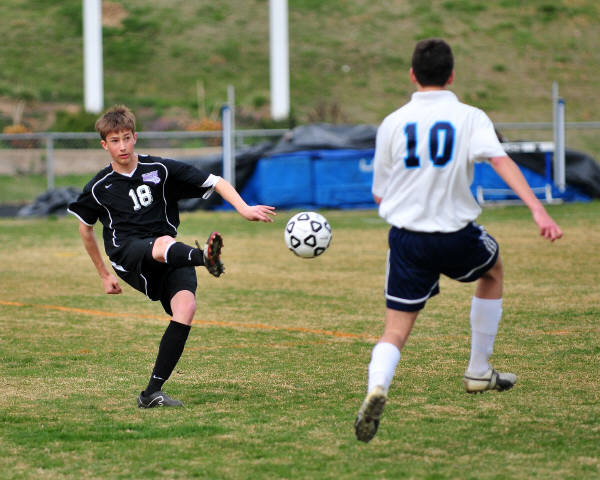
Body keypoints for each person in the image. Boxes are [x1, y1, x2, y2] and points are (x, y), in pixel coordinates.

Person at [354, 39, 562, 442]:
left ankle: (377, 387)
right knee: (493, 271)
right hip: (455, 235)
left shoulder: (393, 122)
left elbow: (380, 194)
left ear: (412, 75)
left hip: (407, 240)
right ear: (451, 76)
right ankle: (478, 370)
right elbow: (499, 159)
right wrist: (538, 209)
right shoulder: (470, 117)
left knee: (395, 331)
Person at [68, 105, 276, 408]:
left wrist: (244, 208)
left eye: (126, 138)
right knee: (163, 242)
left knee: (186, 307)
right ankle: (204, 258)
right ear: (104, 145)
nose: (122, 146)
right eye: (114, 140)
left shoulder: (159, 169)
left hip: (170, 254)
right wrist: (104, 274)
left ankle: (151, 394)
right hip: (128, 254)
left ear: (135, 137)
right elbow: (85, 229)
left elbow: (215, 181)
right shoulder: (100, 187)